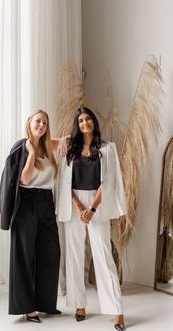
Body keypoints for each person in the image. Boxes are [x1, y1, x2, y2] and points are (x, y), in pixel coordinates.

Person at [55, 106, 127, 331]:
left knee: (104, 256)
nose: (84, 123)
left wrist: (92, 209)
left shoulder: (108, 148)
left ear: (93, 121)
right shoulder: (69, 149)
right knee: (74, 255)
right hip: (73, 202)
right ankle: (79, 305)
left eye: (87, 119)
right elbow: (64, 182)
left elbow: (109, 182)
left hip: (98, 203)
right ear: (76, 125)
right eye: (80, 121)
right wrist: (79, 206)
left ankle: (117, 311)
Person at [0, 109, 65, 323]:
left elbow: (68, 139)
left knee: (50, 252)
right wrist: (31, 152)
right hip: (26, 202)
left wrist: (65, 137)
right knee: (24, 254)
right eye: (38, 121)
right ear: (30, 122)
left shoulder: (49, 146)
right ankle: (27, 308)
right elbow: (24, 180)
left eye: (45, 123)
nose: (42, 126)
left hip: (46, 201)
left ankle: (45, 302)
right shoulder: (21, 147)